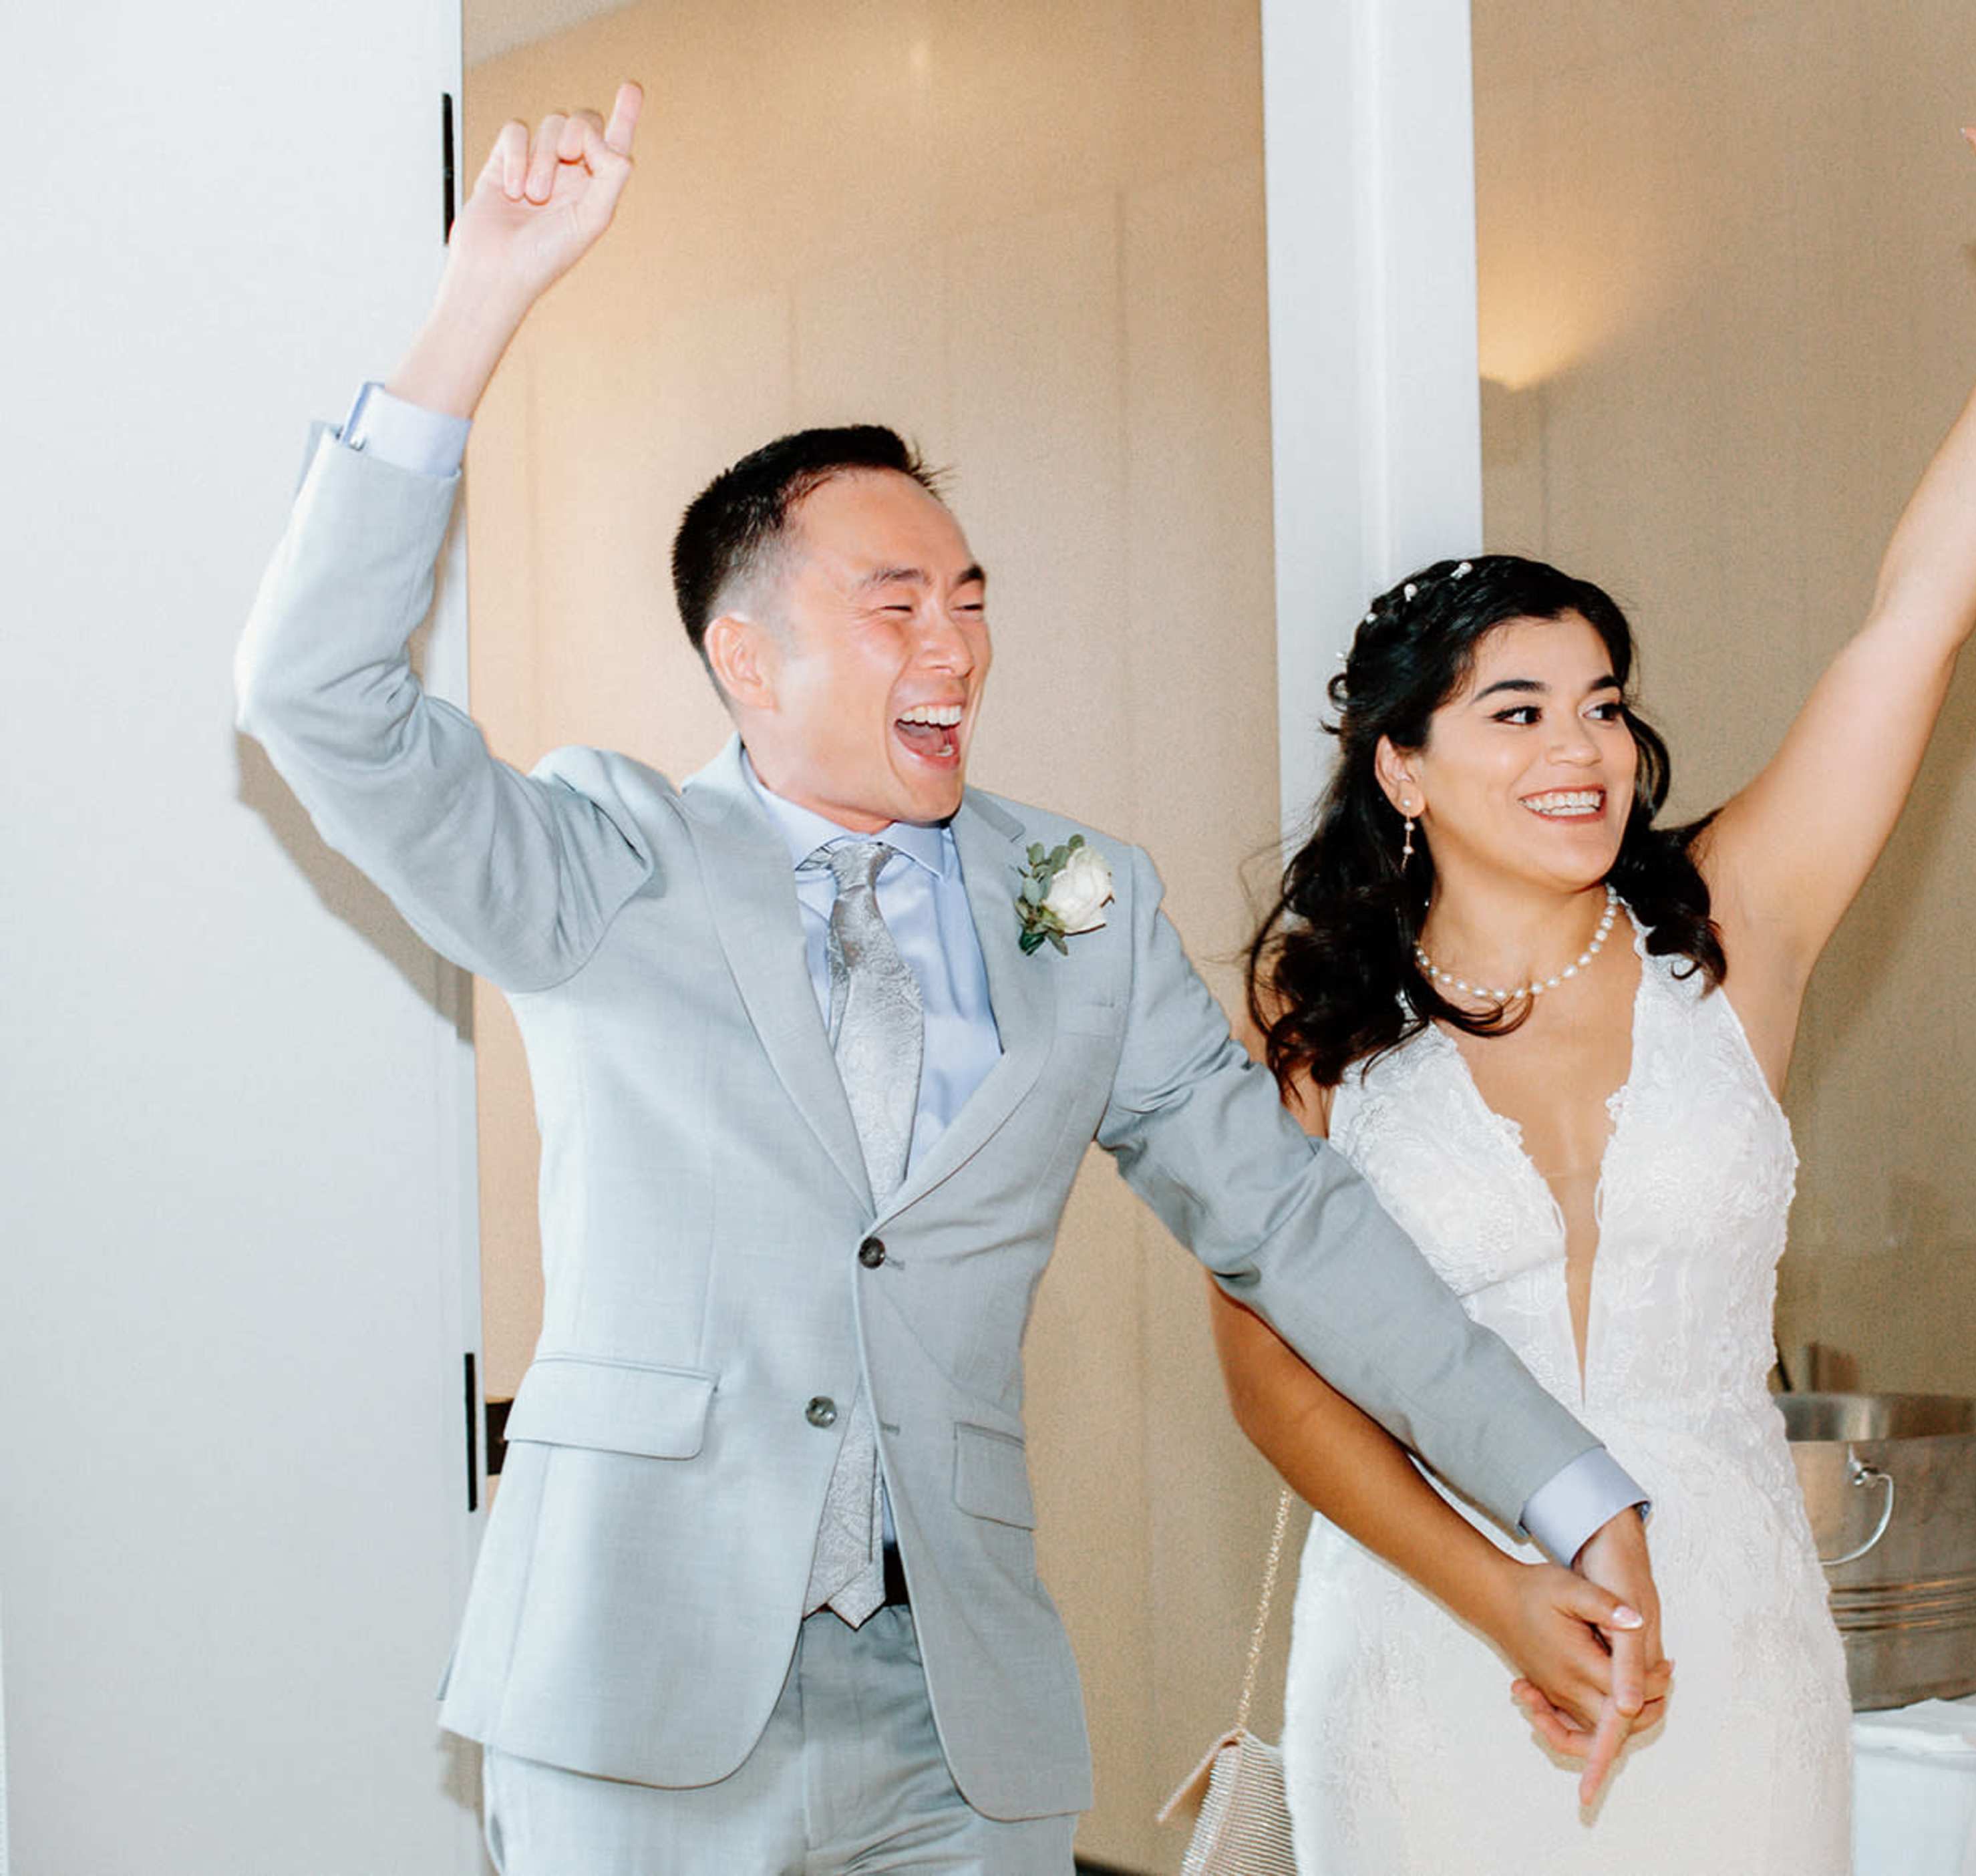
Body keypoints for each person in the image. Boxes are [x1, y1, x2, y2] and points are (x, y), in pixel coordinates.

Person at [234, 84, 1669, 1875]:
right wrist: (480, 303)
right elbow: (318, 699)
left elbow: (1292, 1228)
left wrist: (1566, 1487)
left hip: (958, 1716)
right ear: (743, 658)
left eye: (971, 597)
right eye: (896, 602)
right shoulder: (607, 864)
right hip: (639, 1707)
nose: (957, 644)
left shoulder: (1078, 898)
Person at [1215, 116, 1976, 1871]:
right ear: (1401, 766)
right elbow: (1275, 1384)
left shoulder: (1733, 927)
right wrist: (1507, 1600)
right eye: (1519, 710)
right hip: (1431, 1641)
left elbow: (1911, 626)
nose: (1583, 748)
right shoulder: (1313, 1021)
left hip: (1730, 1641)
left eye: (1605, 702)